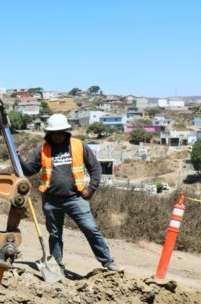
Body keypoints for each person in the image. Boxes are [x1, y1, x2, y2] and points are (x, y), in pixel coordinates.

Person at [18, 113, 123, 272]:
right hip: (51, 200)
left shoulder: (79, 146)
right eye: (55, 134)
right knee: (54, 234)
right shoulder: (43, 148)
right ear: (49, 133)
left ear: (67, 132)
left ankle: (108, 262)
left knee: (90, 229)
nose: (58, 136)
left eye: (61, 133)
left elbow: (95, 168)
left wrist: (91, 189)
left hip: (75, 198)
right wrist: (19, 160)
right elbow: (30, 170)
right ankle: (56, 264)